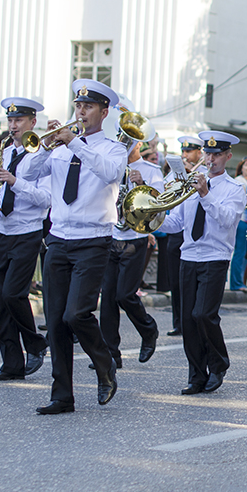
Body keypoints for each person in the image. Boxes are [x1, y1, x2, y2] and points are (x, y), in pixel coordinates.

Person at [19, 79, 126, 414]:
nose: (80, 112)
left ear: (103, 112)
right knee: (55, 321)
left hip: (93, 239)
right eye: (78, 106)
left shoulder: (113, 149)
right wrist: (45, 147)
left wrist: (75, 143)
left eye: (88, 107)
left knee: (76, 313)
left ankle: (104, 362)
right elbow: (28, 173)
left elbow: (110, 173)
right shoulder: (61, 146)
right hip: (58, 238)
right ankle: (62, 395)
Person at [158, 131, 244, 394]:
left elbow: (227, 220)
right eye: (207, 154)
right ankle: (196, 375)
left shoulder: (234, 189)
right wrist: (152, 219)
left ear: (228, 156)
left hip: (214, 257)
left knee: (203, 314)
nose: (210, 159)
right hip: (188, 256)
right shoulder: (190, 185)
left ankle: (218, 364)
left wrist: (205, 194)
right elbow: (177, 223)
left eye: (216, 155)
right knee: (188, 319)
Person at [0, 97, 52, 381]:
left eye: (19, 120)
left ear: (32, 122)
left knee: (14, 293)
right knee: (3, 301)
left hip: (27, 231)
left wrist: (15, 182)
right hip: (2, 230)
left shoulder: (43, 155)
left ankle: (35, 344)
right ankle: (11, 364)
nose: (13, 126)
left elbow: (46, 199)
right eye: (10, 120)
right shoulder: (2, 153)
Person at [97, 128, 164, 369]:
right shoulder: (113, 166)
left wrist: (142, 185)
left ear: (138, 144)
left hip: (135, 238)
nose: (123, 144)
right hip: (111, 235)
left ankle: (148, 329)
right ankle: (110, 354)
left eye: (128, 140)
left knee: (125, 294)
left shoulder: (151, 170)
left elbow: (159, 206)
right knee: (108, 299)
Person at [166, 136, 205, 337]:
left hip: (195, 232)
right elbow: (164, 190)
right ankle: (179, 322)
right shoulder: (176, 172)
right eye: (183, 151)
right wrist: (179, 176)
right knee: (176, 281)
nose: (185, 155)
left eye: (189, 151)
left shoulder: (205, 172)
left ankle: (194, 322)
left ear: (199, 152)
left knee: (193, 284)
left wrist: (192, 173)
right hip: (177, 230)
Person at [230, 156, 247, 292]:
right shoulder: (238, 181)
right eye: (246, 165)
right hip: (241, 220)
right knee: (240, 252)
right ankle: (236, 283)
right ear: (241, 167)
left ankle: (241, 282)